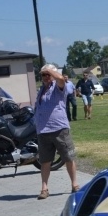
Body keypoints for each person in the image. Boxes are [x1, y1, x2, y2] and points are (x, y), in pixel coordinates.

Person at [34, 64, 79, 200]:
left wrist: (49, 70)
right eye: (43, 74)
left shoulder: (58, 87)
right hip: (43, 131)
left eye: (48, 74)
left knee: (68, 158)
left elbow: (60, 79)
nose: (46, 77)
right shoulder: (41, 89)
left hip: (59, 129)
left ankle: (75, 185)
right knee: (45, 161)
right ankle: (44, 189)